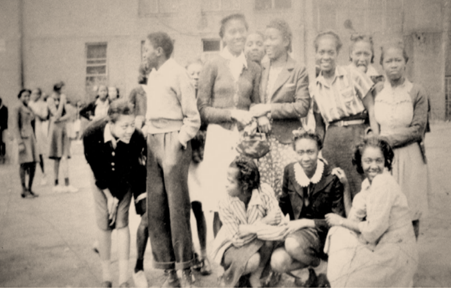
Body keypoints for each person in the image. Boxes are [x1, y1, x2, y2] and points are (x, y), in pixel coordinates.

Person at [197, 13, 264, 236]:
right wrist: (232, 114)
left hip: (244, 140)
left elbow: (256, 103)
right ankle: (222, 257)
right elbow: (203, 109)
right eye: (232, 32)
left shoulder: (254, 68)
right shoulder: (212, 64)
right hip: (219, 138)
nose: (238, 36)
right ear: (223, 37)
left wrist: (255, 118)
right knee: (220, 198)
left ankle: (243, 255)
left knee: (243, 194)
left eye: (241, 31)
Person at [142, 31, 200, 287]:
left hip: (173, 141)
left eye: (146, 49)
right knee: (156, 210)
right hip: (153, 141)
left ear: (159, 51)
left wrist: (178, 142)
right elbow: (152, 114)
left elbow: (193, 117)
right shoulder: (153, 75)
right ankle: (169, 272)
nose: (143, 53)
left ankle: (186, 269)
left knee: (177, 209)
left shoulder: (178, 72)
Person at [324, 136, 418, 287]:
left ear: (385, 161)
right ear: (360, 162)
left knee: (339, 234)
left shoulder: (383, 182)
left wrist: (340, 221)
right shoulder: (368, 184)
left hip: (394, 257)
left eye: (378, 160)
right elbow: (352, 220)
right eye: (368, 161)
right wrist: (346, 186)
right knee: (338, 232)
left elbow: (372, 232)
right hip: (383, 249)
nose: (373, 166)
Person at [83, 99, 146, 288]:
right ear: (110, 123)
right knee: (103, 224)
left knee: (122, 222)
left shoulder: (137, 137)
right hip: (101, 180)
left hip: (123, 180)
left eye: (132, 125)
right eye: (124, 126)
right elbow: (96, 168)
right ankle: (106, 277)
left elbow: (129, 170)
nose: (129, 130)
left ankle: (123, 279)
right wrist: (109, 197)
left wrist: (117, 197)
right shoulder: (91, 134)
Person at [269, 130, 345, 287]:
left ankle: (323, 268)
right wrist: (271, 221)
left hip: (324, 236)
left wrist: (305, 222)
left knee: (292, 244)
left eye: (310, 152)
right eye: (300, 152)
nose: (305, 158)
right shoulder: (290, 170)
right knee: (277, 262)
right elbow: (283, 205)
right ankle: (314, 272)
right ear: (294, 152)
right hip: (299, 236)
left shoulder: (331, 176)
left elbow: (338, 221)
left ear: (319, 150)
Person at [310, 31, 376, 203]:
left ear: (337, 53)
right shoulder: (314, 87)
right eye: (321, 52)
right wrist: (318, 150)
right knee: (336, 187)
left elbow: (371, 106)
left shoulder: (352, 74)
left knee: (360, 185)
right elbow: (319, 126)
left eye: (330, 52)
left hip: (356, 136)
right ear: (316, 54)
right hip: (332, 143)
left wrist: (375, 138)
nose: (325, 57)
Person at [374, 40, 430, 238]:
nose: (394, 65)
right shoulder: (377, 90)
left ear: (406, 62)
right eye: (389, 61)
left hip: (410, 156)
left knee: (410, 210)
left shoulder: (417, 91)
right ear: (382, 64)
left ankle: (409, 260)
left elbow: (417, 130)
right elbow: (372, 123)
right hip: (383, 157)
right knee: (385, 209)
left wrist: (384, 139)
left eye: (398, 60)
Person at [251, 19, 310, 199]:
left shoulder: (298, 69)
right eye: (265, 39)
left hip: (287, 140)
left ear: (286, 41)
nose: (267, 43)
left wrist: (268, 109)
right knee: (266, 190)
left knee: (291, 189)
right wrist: (259, 117)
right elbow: (252, 101)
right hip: (262, 141)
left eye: (272, 38)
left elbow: (302, 106)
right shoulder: (260, 68)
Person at [212, 156, 281, 287]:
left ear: (244, 186)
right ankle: (232, 276)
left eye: (230, 181)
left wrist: (249, 229)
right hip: (232, 245)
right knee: (253, 260)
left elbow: (277, 217)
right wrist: (264, 223)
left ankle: (256, 275)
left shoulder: (264, 191)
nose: (226, 184)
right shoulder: (224, 200)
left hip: (256, 240)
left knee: (269, 241)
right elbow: (237, 237)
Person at [185, 59, 212, 276]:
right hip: (184, 158)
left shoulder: (206, 98)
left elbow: (210, 127)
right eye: (192, 73)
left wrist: (200, 137)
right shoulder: (181, 97)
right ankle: (191, 253)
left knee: (199, 208)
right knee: (184, 207)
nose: (195, 76)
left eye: (199, 73)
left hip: (201, 158)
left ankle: (204, 254)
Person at [47, 82, 77, 193]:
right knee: (57, 157)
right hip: (55, 131)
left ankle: (67, 183)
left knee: (65, 156)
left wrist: (60, 119)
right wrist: (61, 103)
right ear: (57, 89)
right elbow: (56, 114)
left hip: (63, 128)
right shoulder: (50, 99)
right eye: (62, 88)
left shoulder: (63, 99)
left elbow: (69, 114)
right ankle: (56, 183)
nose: (64, 90)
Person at [12, 89, 39, 198]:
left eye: (28, 96)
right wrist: (19, 142)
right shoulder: (17, 107)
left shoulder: (29, 107)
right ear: (19, 97)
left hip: (31, 138)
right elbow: (15, 126)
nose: (27, 98)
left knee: (33, 164)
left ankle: (30, 188)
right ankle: (24, 189)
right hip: (23, 138)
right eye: (24, 96)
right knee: (24, 164)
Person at [29, 88, 49, 184]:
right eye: (33, 94)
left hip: (38, 129)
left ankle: (43, 173)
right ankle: (29, 175)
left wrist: (35, 112)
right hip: (29, 129)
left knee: (39, 153)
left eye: (36, 94)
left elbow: (44, 117)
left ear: (40, 95)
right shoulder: (29, 104)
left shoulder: (44, 104)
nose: (34, 96)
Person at [128, 63, 149, 129]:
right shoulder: (135, 91)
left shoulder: (157, 90)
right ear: (145, 75)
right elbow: (129, 110)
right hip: (140, 126)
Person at [0, 97, 9, 164]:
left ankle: (3, 156)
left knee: (3, 142)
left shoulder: (5, 108)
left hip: (3, 128)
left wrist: (1, 126)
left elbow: (5, 119)